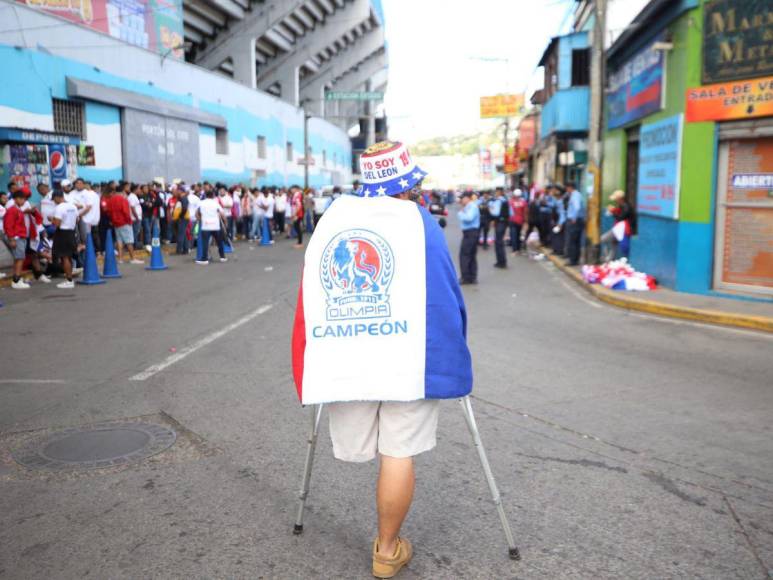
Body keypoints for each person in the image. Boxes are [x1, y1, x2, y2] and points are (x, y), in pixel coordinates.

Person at [292, 140, 472, 580]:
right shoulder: (419, 222)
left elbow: (313, 291)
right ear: (406, 185)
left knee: (374, 444)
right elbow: (446, 294)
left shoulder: (332, 219)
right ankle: (387, 551)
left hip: (344, 350)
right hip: (406, 356)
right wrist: (455, 344)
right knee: (399, 451)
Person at [3, 188, 51, 289]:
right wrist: (11, 239)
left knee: (21, 258)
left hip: (23, 236)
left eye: (25, 199)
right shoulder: (12, 210)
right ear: (16, 199)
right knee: (19, 258)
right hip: (17, 237)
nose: (24, 201)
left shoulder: (17, 209)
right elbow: (8, 225)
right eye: (22, 199)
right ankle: (16, 280)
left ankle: (18, 279)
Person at [51, 189, 82, 289]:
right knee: (68, 256)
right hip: (71, 232)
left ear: (57, 197)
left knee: (64, 257)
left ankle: (69, 280)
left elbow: (57, 224)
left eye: (54, 199)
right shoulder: (73, 206)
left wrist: (51, 219)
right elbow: (77, 220)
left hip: (62, 233)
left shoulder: (59, 208)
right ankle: (69, 278)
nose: (54, 201)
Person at [107, 184, 144, 264]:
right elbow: (126, 212)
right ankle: (132, 258)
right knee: (129, 240)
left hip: (116, 222)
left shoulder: (111, 200)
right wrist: (129, 221)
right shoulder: (123, 200)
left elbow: (109, 211)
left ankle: (120, 258)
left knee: (119, 240)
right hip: (124, 222)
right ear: (123, 191)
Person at [196, 189, 227, 264]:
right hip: (215, 225)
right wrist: (225, 223)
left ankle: (204, 259)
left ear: (205, 195)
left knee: (205, 243)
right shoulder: (215, 203)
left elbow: (197, 213)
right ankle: (222, 257)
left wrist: (200, 219)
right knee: (219, 242)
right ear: (213, 195)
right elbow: (222, 213)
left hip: (206, 225)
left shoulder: (201, 203)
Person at [601, 190, 633, 261]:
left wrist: (613, 212)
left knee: (603, 239)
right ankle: (610, 259)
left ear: (620, 199)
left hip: (621, 229)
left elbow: (620, 218)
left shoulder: (626, 207)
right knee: (613, 244)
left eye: (616, 200)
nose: (615, 201)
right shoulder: (622, 206)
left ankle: (608, 258)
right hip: (618, 229)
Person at [457, 191, 480, 285]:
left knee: (465, 255)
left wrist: (460, 214)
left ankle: (466, 277)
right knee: (470, 255)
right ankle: (471, 277)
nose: (461, 200)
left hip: (471, 232)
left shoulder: (472, 206)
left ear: (467, 198)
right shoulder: (469, 206)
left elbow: (469, 218)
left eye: (462, 198)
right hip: (470, 232)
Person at [565, 182, 586, 266]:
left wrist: (574, 218)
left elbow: (577, 207)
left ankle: (573, 260)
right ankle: (575, 259)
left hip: (575, 221)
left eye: (567, 188)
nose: (566, 190)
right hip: (578, 220)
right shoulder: (578, 195)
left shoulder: (575, 195)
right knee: (576, 241)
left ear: (570, 187)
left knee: (572, 241)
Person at [488, 187, 509, 269]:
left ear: (499, 192)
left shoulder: (499, 201)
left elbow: (495, 213)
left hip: (500, 222)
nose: (495, 193)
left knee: (499, 243)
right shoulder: (504, 200)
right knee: (499, 242)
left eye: (496, 192)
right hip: (503, 222)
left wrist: (490, 209)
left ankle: (501, 262)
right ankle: (501, 261)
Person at [508, 189, 527, 254]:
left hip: (512, 220)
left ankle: (515, 250)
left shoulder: (510, 202)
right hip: (520, 221)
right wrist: (525, 221)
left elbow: (508, 212)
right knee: (518, 234)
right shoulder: (523, 202)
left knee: (513, 235)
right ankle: (518, 248)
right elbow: (525, 212)